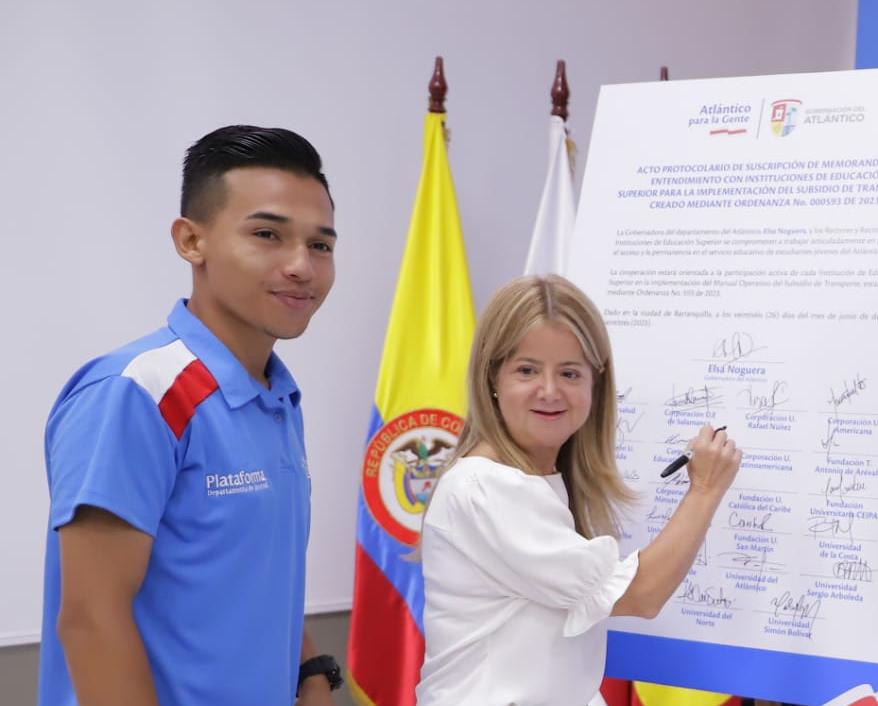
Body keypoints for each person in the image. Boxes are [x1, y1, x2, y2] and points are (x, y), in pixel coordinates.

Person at [40, 125, 342, 705]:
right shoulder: (136, 393)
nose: (301, 265)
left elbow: (254, 578)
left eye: (321, 245)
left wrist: (312, 672)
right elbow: (89, 619)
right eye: (267, 234)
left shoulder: (277, 398)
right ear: (190, 240)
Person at [415, 275, 743, 706]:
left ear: (595, 384)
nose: (550, 391)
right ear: (492, 377)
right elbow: (640, 595)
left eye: (569, 373)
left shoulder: (539, 478)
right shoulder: (487, 487)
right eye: (527, 370)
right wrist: (704, 489)